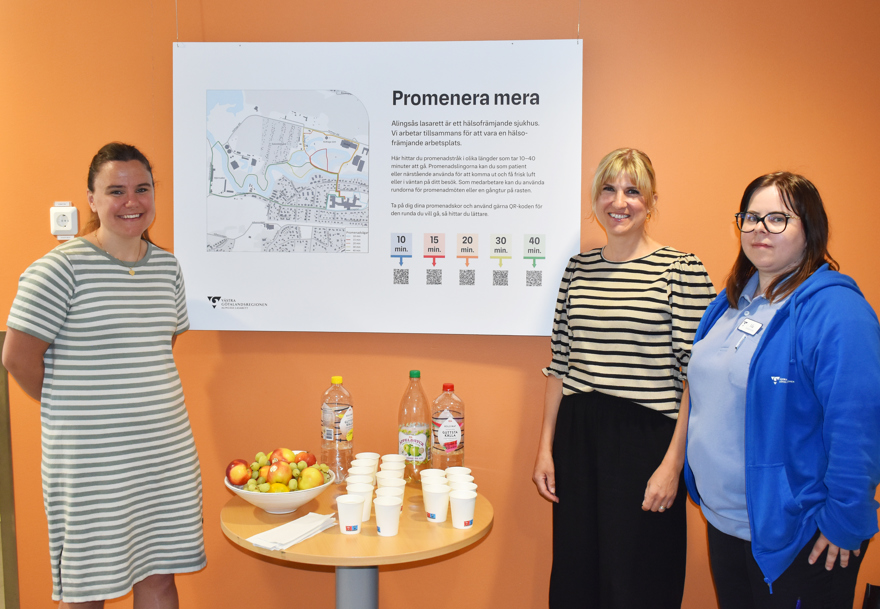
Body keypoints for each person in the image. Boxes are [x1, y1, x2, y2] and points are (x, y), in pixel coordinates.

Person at [2, 143, 206, 608]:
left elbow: (155, 352)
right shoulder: (58, 270)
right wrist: (73, 406)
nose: (131, 201)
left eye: (142, 189)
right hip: (92, 462)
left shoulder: (167, 269)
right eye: (115, 191)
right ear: (91, 199)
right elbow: (17, 358)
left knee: (159, 579)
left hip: (164, 455)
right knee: (88, 589)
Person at [684, 172, 880, 608]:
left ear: (810, 229)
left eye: (777, 219)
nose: (758, 229)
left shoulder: (838, 312)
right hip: (728, 524)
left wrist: (844, 521)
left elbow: (858, 422)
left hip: (800, 536)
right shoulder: (733, 300)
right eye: (751, 217)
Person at [532, 148, 715, 608]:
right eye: (609, 189)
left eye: (633, 191)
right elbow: (561, 365)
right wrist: (545, 449)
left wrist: (674, 466)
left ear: (651, 202)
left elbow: (700, 378)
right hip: (577, 441)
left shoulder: (681, 269)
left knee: (639, 581)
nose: (620, 201)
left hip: (646, 444)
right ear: (595, 200)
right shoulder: (577, 269)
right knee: (578, 576)